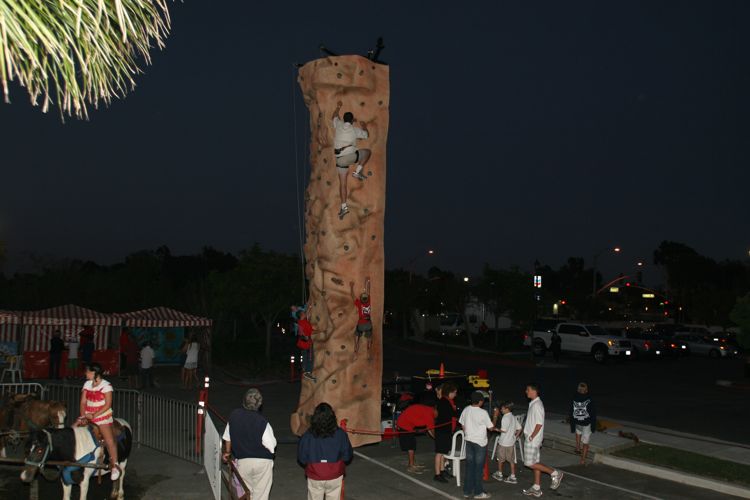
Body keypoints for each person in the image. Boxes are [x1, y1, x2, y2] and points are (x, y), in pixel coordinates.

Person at [222, 388, 276, 500]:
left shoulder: (234, 416)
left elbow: (227, 437)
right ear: (260, 404)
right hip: (262, 462)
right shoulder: (262, 422)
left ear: (244, 401)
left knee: (246, 494)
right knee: (261, 494)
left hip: (243, 462)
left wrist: (227, 452)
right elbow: (271, 445)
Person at [297, 403, 353, 500]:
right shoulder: (340, 434)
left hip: (315, 474)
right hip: (334, 475)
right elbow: (347, 456)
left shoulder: (308, 435)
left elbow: (302, 458)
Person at [76, 362, 120, 481]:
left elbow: (107, 404)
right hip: (87, 414)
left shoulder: (106, 386)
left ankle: (115, 465)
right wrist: (83, 416)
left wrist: (94, 415)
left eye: (87, 371)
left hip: (101, 415)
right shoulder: (87, 384)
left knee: (109, 440)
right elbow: (83, 402)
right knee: (74, 429)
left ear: (94, 373)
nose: (86, 374)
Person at [332, 100, 371, 219]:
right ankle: (357, 172)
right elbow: (366, 135)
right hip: (350, 157)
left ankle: (344, 207)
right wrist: (364, 126)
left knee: (343, 184)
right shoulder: (354, 130)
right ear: (352, 120)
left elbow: (334, 116)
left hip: (339, 160)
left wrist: (338, 107)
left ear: (343, 119)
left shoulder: (338, 125)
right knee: (367, 152)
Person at [522, 383, 563, 497]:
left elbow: (539, 424)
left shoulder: (537, 405)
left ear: (534, 391)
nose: (526, 391)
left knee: (529, 463)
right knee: (536, 463)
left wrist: (531, 436)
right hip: (534, 439)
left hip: (532, 440)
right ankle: (536, 487)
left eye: (528, 389)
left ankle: (555, 473)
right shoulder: (533, 403)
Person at [458, 391, 496, 499]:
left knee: (470, 467)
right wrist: (495, 416)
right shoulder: (483, 412)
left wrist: (468, 433)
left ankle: (467, 491)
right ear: (480, 401)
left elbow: (462, 425)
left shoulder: (466, 409)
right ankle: (478, 492)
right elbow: (491, 428)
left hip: (469, 441)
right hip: (480, 443)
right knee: (478, 469)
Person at [396, 397, 436, 474]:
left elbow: (429, 429)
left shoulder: (429, 410)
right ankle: (411, 466)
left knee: (412, 444)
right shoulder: (429, 413)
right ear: (435, 410)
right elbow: (431, 430)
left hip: (407, 423)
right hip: (404, 424)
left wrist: (435, 437)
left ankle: (413, 463)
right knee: (410, 446)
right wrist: (437, 439)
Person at [491, 401, 522, 484]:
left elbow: (504, 430)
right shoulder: (513, 417)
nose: (501, 410)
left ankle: (499, 474)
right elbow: (520, 428)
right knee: (511, 460)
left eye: (502, 409)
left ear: (507, 409)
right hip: (511, 443)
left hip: (503, 442)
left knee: (500, 459)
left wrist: (496, 429)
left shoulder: (505, 417)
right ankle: (513, 476)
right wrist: (515, 437)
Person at [433, 382, 458, 483]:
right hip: (441, 431)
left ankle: (442, 471)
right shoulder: (444, 402)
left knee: (443, 452)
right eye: (454, 392)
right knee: (439, 453)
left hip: (446, 430)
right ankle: (437, 474)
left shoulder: (447, 401)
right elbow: (452, 414)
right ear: (450, 393)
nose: (455, 394)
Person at [570, 382, 596, 465]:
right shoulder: (590, 399)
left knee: (578, 432)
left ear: (578, 389)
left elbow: (571, 411)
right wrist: (593, 426)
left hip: (577, 422)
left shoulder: (574, 398)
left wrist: (572, 424)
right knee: (585, 443)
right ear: (586, 390)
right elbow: (593, 413)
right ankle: (583, 460)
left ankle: (577, 447)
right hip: (586, 423)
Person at [349, 278, 372, 359]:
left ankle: (355, 352)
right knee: (369, 339)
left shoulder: (359, 303)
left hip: (361, 324)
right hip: (368, 324)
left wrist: (351, 287)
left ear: (361, 299)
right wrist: (367, 282)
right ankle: (368, 353)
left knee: (356, 337)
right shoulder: (368, 302)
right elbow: (368, 292)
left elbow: (353, 296)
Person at [295, 309, 315, 381]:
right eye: (304, 313)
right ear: (301, 315)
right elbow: (311, 331)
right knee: (310, 357)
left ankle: (304, 369)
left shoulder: (299, 322)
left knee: (305, 357)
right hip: (307, 343)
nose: (305, 313)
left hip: (302, 342)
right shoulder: (304, 322)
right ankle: (308, 372)